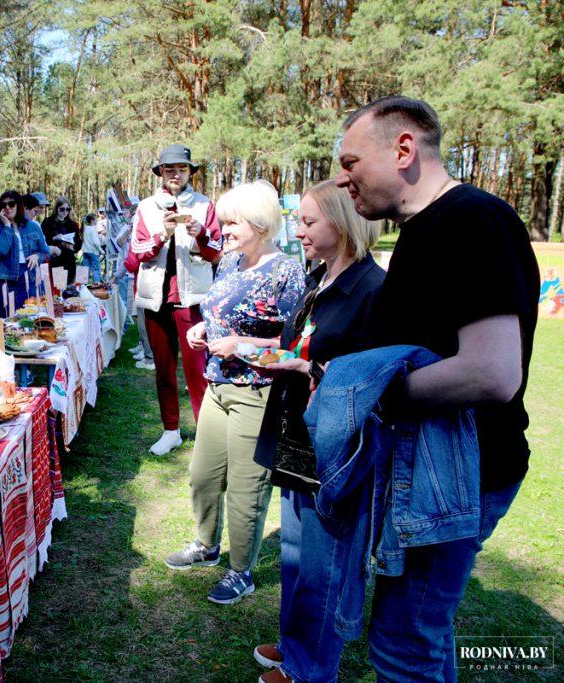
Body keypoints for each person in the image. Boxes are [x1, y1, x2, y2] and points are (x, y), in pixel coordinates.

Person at [324, 95, 537, 682]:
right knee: (419, 635)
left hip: (460, 475)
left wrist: (371, 395)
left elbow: (492, 372)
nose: (343, 180)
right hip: (429, 470)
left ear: (403, 149)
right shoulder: (422, 231)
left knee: (404, 645)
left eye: (350, 162)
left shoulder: (473, 220)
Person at [247, 179, 384, 683]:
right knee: (296, 554)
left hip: (333, 446)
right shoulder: (318, 276)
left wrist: (309, 371)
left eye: (308, 222)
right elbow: (303, 346)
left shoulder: (372, 290)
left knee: (325, 565)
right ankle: (293, 644)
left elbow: (375, 381)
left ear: (343, 222)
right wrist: (279, 360)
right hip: (296, 436)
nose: (298, 231)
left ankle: (311, 669)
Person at [164, 180, 304, 606]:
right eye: (223, 222)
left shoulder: (286, 271)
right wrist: (207, 328)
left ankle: (241, 570)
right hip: (218, 386)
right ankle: (206, 546)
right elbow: (218, 310)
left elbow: (295, 343)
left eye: (231, 222)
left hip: (257, 392)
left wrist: (242, 345)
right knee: (203, 475)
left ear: (260, 224)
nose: (223, 230)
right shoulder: (229, 262)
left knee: (247, 488)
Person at [132, 144, 223, 455]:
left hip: (192, 298)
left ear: (189, 173)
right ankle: (170, 430)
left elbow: (216, 253)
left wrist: (199, 234)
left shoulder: (204, 205)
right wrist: (162, 235)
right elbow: (136, 254)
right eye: (169, 169)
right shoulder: (146, 207)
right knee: (163, 368)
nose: (175, 174)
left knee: (198, 368)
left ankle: (206, 432)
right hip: (156, 298)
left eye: (181, 169)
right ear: (160, 172)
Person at [0, 190, 50, 317]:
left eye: (11, 204)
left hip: (29, 276)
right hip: (6, 280)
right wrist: (7, 226)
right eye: (3, 205)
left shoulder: (32, 226)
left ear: (18, 205)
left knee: (31, 318)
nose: (7, 207)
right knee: (8, 321)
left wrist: (37, 256)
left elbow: (46, 253)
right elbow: (1, 249)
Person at [41, 196, 80, 284]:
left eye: (67, 209)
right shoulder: (48, 222)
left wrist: (73, 247)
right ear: (57, 208)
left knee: (68, 287)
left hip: (69, 260)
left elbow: (78, 242)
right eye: (62, 209)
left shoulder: (72, 224)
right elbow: (42, 242)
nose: (65, 212)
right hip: (55, 260)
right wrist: (54, 238)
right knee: (58, 288)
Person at [80, 212, 104, 284]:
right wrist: (101, 250)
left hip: (85, 252)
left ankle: (83, 284)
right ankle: (97, 284)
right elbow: (96, 242)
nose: (97, 221)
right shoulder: (93, 229)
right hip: (93, 252)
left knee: (85, 268)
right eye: (96, 219)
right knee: (96, 269)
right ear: (92, 221)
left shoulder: (84, 229)